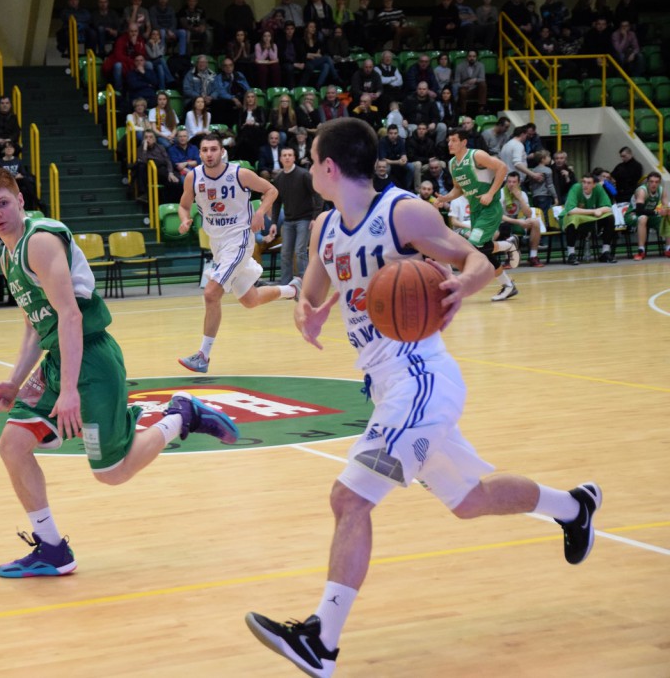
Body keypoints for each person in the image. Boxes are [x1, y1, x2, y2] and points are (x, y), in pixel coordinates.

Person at [244, 117, 602, 678]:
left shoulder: (403, 212)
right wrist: (304, 312)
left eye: (312, 160)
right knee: (469, 501)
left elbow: (477, 259)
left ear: (330, 167)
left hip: (420, 375)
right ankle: (574, 506)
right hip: (386, 383)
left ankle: (323, 640)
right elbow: (313, 292)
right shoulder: (324, 229)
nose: (310, 169)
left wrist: (465, 284)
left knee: (349, 499)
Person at [0, 165, 239, 577]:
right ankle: (52, 548)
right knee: (12, 445)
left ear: (21, 200)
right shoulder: (7, 252)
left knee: (112, 473)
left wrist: (70, 391)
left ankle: (180, 416)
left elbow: (71, 316)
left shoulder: (39, 242)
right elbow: (33, 323)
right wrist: (15, 380)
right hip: (59, 357)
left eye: (3, 203)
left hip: (91, 360)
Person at [176, 132, 299, 374]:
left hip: (240, 238)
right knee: (250, 300)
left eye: (214, 149)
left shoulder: (239, 174)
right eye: (205, 150)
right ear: (199, 154)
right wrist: (184, 219)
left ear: (222, 151)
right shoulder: (193, 177)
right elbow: (183, 205)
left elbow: (271, 191)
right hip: (219, 244)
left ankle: (203, 355)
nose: (209, 154)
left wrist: (260, 212)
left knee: (211, 293)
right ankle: (293, 289)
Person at [434, 128, 521, 302]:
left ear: (464, 142)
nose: (449, 143)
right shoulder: (452, 164)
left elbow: (502, 167)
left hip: (490, 209)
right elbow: (458, 189)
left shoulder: (476, 156)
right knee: (483, 252)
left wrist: (490, 193)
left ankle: (507, 246)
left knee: (473, 247)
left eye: (454, 140)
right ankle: (508, 284)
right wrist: (446, 197)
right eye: (449, 140)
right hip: (475, 211)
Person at [270, 145, 320, 284]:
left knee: (300, 251)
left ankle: (306, 283)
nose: (287, 157)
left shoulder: (303, 174)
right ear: (280, 158)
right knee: (285, 253)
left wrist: (315, 217)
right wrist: (274, 222)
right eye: (284, 155)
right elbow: (276, 202)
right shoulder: (279, 179)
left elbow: (317, 195)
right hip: (288, 221)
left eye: (289, 155)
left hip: (304, 219)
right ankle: (285, 285)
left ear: (294, 158)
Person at [558, 172, 616, 265]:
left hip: (589, 219)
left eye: (589, 183)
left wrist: (599, 210)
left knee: (609, 217)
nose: (585, 185)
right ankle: (571, 254)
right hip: (570, 217)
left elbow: (608, 207)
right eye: (584, 182)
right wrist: (594, 211)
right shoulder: (576, 188)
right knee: (572, 219)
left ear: (594, 185)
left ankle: (605, 252)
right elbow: (571, 210)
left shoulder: (598, 188)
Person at [498, 171, 545, 269]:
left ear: (519, 183)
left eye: (514, 182)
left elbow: (528, 214)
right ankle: (509, 258)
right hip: (501, 222)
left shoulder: (522, 194)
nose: (511, 184)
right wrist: (518, 221)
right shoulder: (500, 193)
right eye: (509, 182)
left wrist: (520, 198)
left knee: (535, 222)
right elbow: (499, 216)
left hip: (517, 220)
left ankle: (533, 256)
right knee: (505, 226)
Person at [627, 171, 670, 260]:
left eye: (656, 182)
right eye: (651, 181)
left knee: (668, 216)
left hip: (650, 216)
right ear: (647, 182)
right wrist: (657, 212)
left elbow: (666, 207)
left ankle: (668, 248)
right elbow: (639, 211)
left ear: (659, 183)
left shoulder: (662, 191)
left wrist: (666, 211)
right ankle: (641, 251)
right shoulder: (642, 191)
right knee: (643, 218)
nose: (654, 184)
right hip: (633, 215)